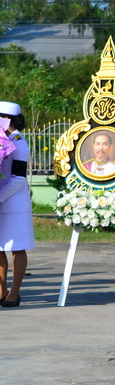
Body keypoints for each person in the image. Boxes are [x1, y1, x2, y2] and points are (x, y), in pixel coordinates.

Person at [0, 101, 33, 307]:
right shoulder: (2, 140)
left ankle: (15, 292)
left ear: (6, 119)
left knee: (17, 248)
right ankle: (1, 290)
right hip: (2, 202)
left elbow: (19, 178)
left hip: (14, 205)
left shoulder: (19, 143)